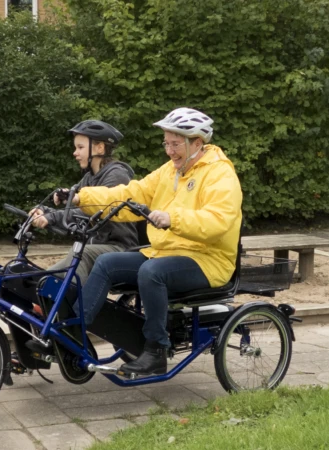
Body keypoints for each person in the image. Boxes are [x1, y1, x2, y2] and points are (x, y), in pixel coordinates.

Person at [70, 107, 243, 375]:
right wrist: (83, 197)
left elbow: (218, 222)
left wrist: (172, 218)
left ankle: (155, 350)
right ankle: (73, 330)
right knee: (106, 263)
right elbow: (130, 194)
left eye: (176, 144)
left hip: (208, 260)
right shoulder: (169, 172)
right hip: (164, 253)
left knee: (152, 273)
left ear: (197, 143)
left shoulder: (220, 175)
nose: (170, 151)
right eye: (167, 143)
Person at [30, 120, 139, 286]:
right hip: (98, 247)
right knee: (43, 280)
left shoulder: (117, 175)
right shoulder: (90, 177)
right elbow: (73, 208)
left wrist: (51, 217)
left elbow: (92, 212)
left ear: (100, 148)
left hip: (120, 248)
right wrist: (43, 210)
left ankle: (77, 308)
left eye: (80, 147)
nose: (75, 153)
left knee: (79, 255)